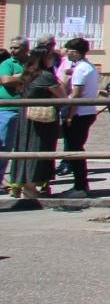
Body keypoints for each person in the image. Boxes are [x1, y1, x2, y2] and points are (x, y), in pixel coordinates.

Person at [6, 45, 65, 205]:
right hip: (41, 121)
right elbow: (63, 96)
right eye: (51, 57)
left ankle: (23, 186)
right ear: (43, 59)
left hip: (25, 118)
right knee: (36, 149)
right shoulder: (46, 76)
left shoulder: (27, 74)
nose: (53, 60)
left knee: (24, 149)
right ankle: (31, 188)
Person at [59, 37, 101, 198]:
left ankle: (80, 186)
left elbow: (77, 94)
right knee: (75, 148)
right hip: (85, 112)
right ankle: (79, 184)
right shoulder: (86, 67)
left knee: (75, 149)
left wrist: (69, 115)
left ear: (75, 52)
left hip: (79, 114)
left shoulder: (82, 69)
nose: (67, 53)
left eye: (69, 50)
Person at [0, 37, 26, 190]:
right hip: (6, 111)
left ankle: (18, 182)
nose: (13, 50)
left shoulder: (31, 63)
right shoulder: (7, 63)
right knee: (3, 147)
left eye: (16, 48)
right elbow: (6, 81)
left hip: (26, 111)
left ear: (25, 49)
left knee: (23, 148)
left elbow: (37, 78)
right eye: (12, 47)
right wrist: (24, 77)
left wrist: (16, 78)